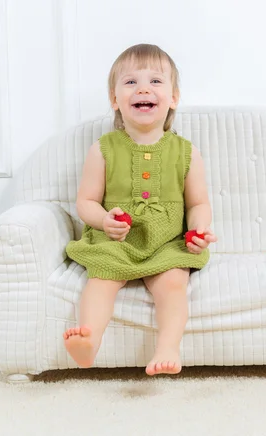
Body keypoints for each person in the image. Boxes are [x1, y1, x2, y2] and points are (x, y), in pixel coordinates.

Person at [63, 43, 217, 376]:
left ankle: (167, 348)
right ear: (115, 99)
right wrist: (104, 221)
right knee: (100, 281)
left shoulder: (186, 152)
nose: (143, 88)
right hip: (116, 242)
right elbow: (85, 202)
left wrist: (199, 230)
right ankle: (89, 337)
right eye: (131, 82)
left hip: (166, 244)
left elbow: (199, 203)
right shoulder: (103, 149)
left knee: (173, 286)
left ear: (173, 98)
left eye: (155, 81)